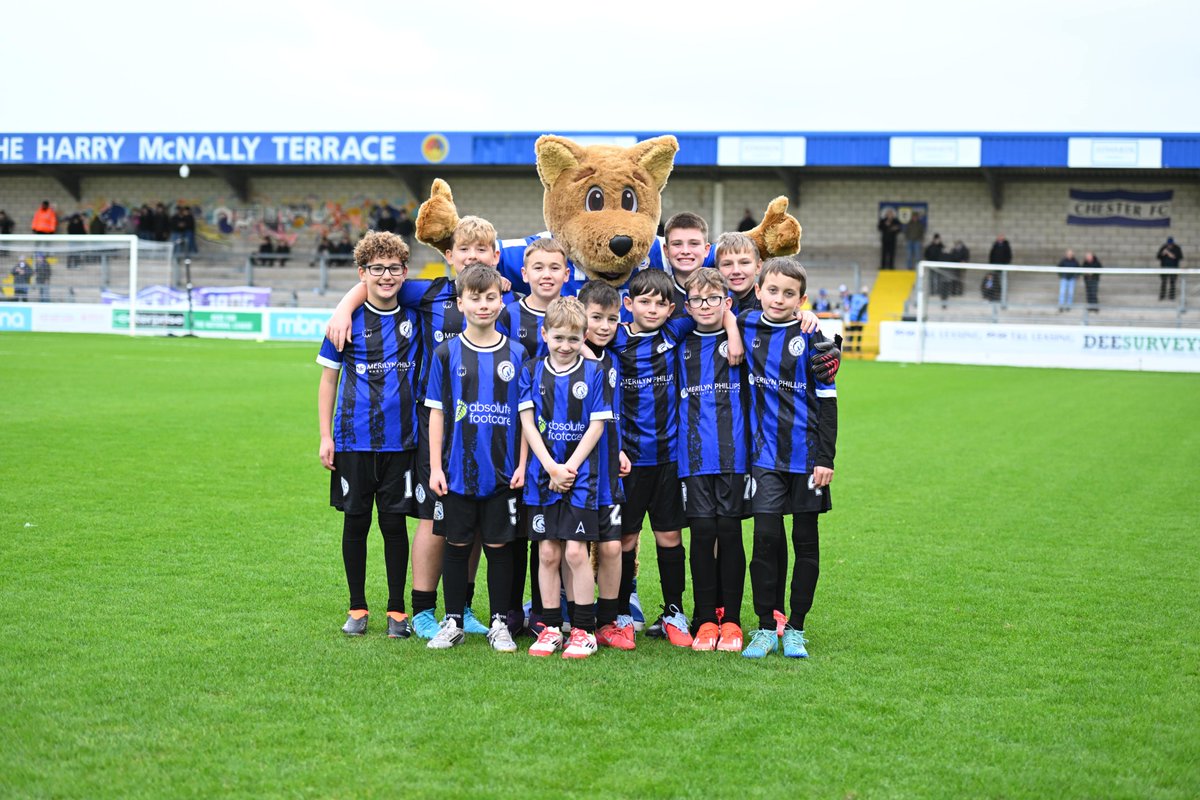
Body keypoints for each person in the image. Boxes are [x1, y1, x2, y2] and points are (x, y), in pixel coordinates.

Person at [327, 216, 517, 641]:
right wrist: (345, 304)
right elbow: (375, 283)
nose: (472, 256)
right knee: (435, 517)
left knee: (476, 520)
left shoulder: (503, 298)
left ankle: (462, 607)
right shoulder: (428, 292)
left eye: (481, 249)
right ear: (448, 256)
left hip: (489, 430)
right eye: (463, 249)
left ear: (495, 257)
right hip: (436, 427)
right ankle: (423, 608)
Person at [607, 269, 745, 648]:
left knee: (669, 536)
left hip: (670, 458)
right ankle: (619, 613)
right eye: (644, 302)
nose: (652, 310)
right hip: (628, 460)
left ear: (671, 309)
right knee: (626, 538)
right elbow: (586, 331)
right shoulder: (615, 337)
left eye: (660, 303)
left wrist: (732, 327)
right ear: (629, 304)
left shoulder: (674, 332)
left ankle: (673, 610)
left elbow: (719, 309)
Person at [316, 231, 421, 638]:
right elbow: (328, 381)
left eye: (394, 268)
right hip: (353, 441)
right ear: (362, 273)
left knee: (394, 526)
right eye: (377, 269)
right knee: (356, 524)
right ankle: (357, 607)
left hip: (401, 443)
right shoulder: (343, 323)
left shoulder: (416, 317)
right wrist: (326, 436)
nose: (386, 276)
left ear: (405, 272)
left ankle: (397, 611)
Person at [424, 264, 528, 653]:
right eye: (475, 297)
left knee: (500, 547)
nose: (483, 305)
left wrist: (521, 464)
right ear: (460, 302)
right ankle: (452, 619)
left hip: (503, 472)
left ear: (501, 302)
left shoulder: (517, 353)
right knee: (457, 545)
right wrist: (435, 466)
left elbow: (525, 415)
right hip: (456, 471)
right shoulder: (446, 352)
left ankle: (500, 621)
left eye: (490, 298)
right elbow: (436, 410)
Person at [739, 257, 838, 660]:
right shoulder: (744, 323)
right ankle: (765, 626)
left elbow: (830, 404)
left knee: (805, 542)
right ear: (758, 290)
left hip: (807, 457)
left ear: (802, 299)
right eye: (772, 290)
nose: (779, 299)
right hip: (764, 457)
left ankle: (796, 626)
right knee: (764, 540)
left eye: (789, 293)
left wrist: (825, 457)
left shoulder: (815, 338)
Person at [519, 296, 613, 658]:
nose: (565, 346)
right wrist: (550, 468)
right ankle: (551, 628)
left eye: (574, 339)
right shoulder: (531, 371)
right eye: (558, 338)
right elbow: (527, 423)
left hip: (581, 477)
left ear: (584, 337)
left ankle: (584, 630)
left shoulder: (594, 374)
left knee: (576, 552)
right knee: (547, 554)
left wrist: (568, 468)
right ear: (544, 335)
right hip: (542, 476)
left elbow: (596, 426)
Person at [674, 268, 751, 653]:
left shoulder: (743, 340)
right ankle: (705, 619)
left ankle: (732, 620)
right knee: (702, 537)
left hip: (735, 458)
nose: (705, 306)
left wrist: (733, 325)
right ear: (687, 306)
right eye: (697, 300)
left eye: (713, 299)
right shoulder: (679, 342)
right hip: (691, 458)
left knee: (731, 535)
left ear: (727, 302)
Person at [496, 237, 570, 630]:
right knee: (515, 529)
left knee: (549, 531)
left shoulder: (572, 315)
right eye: (538, 268)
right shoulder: (508, 315)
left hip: (561, 439)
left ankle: (545, 611)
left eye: (554, 267)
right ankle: (510, 610)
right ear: (524, 274)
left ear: (566, 274)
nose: (546, 274)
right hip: (513, 437)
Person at [577, 280, 633, 650]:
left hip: (608, 468)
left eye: (611, 319)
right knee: (569, 547)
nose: (603, 326)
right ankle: (569, 617)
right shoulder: (566, 357)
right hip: (575, 470)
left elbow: (616, 412)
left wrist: (621, 448)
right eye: (595, 317)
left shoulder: (613, 358)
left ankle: (609, 620)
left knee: (612, 548)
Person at [661, 211, 712, 317]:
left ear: (706, 250)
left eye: (694, 244)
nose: (685, 251)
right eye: (677, 244)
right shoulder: (659, 296)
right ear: (666, 250)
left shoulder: (722, 293)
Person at [714, 232, 762, 314]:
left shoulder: (769, 305)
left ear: (758, 267)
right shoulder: (708, 305)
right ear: (717, 269)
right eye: (727, 264)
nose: (736, 271)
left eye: (744, 263)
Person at [1156, 237, 1183, 301]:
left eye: (1170, 244)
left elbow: (1179, 257)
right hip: (1164, 267)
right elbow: (1158, 256)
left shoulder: (1177, 248)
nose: (1169, 245)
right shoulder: (1163, 247)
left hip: (1173, 268)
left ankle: (1172, 296)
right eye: (1168, 244)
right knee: (1164, 282)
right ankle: (1162, 296)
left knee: (1172, 282)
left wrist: (1169, 253)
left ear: (1173, 244)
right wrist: (1162, 253)